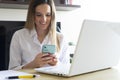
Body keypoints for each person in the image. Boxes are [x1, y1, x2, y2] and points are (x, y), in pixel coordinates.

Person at [9, 0, 70, 70]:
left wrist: (56, 64)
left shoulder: (61, 38)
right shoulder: (19, 36)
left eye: (48, 15)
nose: (43, 20)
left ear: (52, 16)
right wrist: (33, 64)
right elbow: (11, 70)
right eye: (39, 15)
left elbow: (67, 69)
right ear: (32, 16)